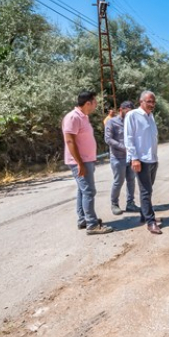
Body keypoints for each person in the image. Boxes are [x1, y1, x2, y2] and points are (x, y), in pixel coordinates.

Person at [62, 91, 113, 235]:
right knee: (89, 191)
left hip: (86, 160)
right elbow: (70, 141)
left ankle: (83, 219)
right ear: (88, 103)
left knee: (82, 190)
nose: (96, 104)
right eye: (95, 102)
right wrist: (80, 163)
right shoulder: (72, 117)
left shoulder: (83, 117)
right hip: (80, 161)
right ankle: (92, 224)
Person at [124, 91, 161, 235]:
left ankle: (143, 215)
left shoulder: (150, 116)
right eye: (149, 102)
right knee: (146, 191)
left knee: (148, 189)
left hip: (152, 159)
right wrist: (134, 158)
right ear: (141, 101)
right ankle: (151, 222)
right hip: (141, 160)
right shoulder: (132, 115)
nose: (152, 105)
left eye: (153, 102)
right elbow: (129, 138)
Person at [105, 100, 140, 216]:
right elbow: (108, 139)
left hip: (130, 158)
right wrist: (125, 148)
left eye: (131, 112)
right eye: (127, 111)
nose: (129, 114)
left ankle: (130, 203)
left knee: (131, 180)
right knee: (118, 181)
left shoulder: (132, 122)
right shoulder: (112, 122)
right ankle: (114, 204)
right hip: (117, 158)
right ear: (121, 110)